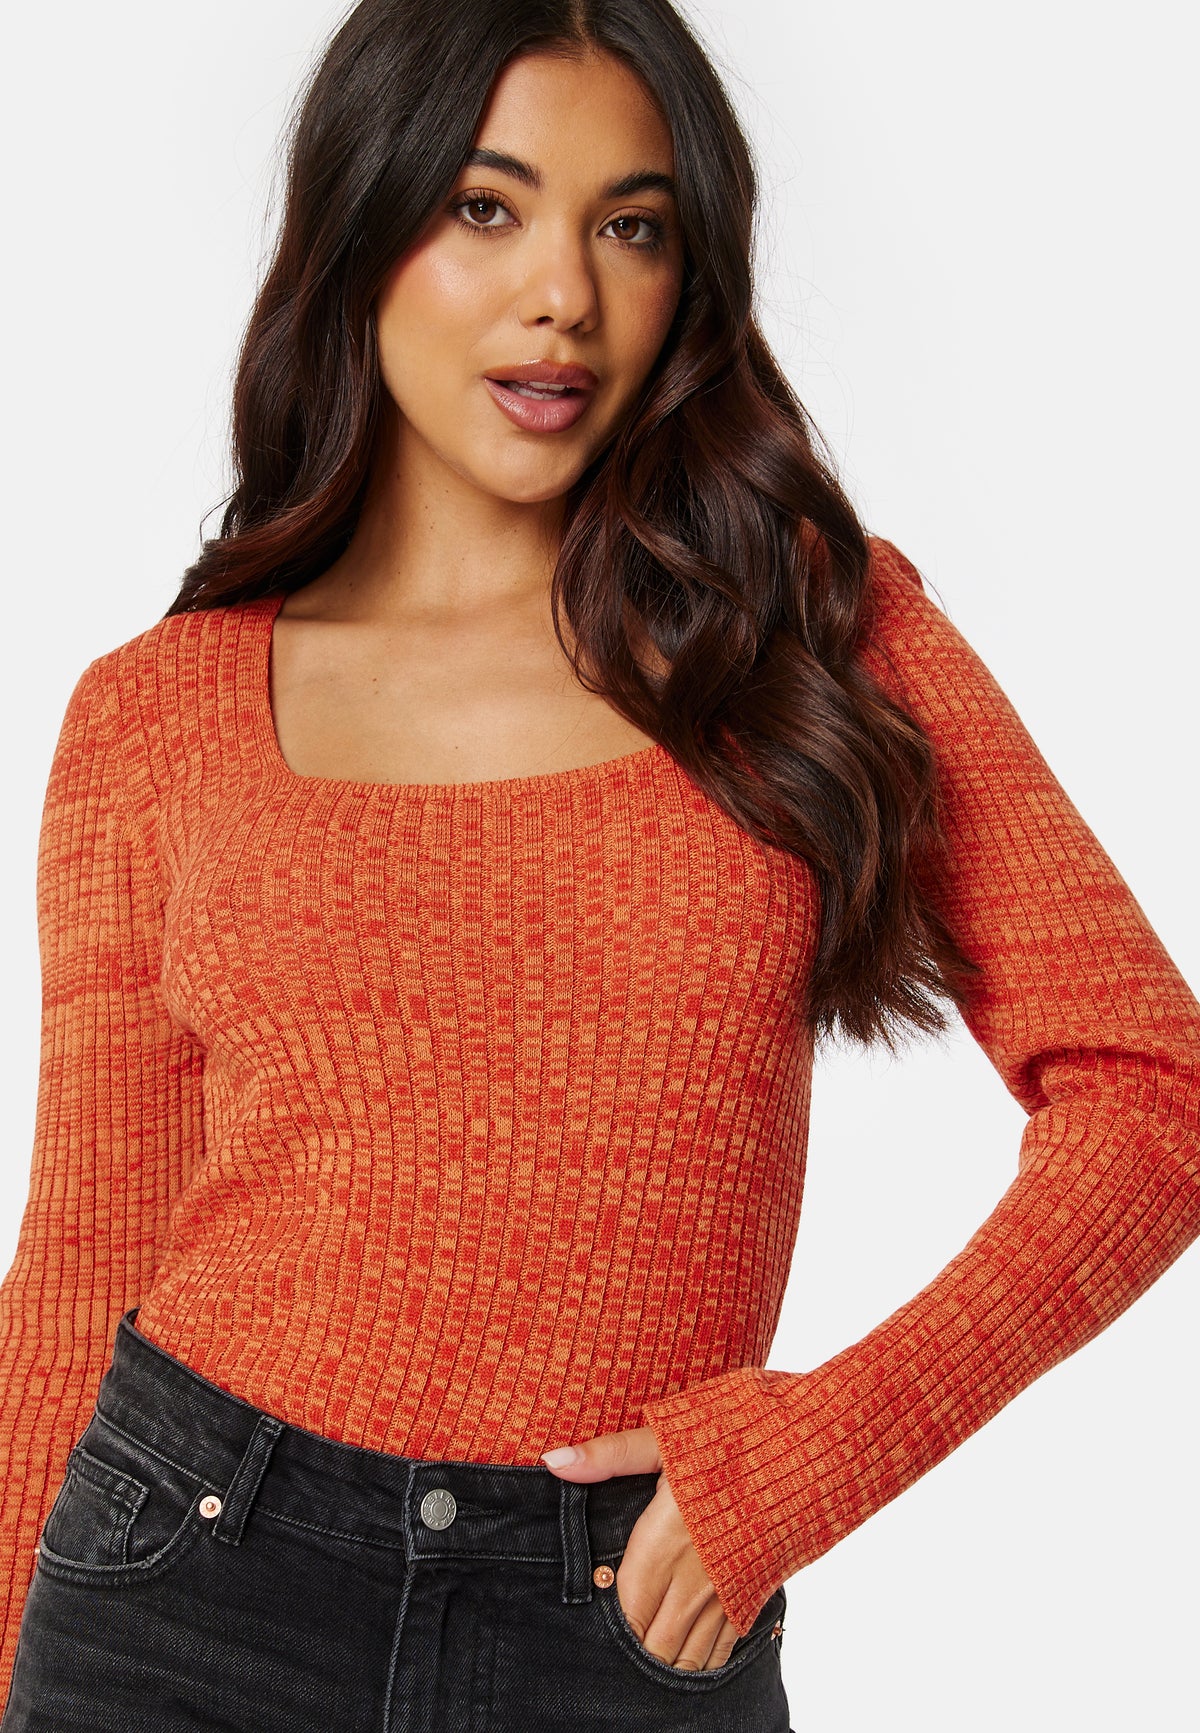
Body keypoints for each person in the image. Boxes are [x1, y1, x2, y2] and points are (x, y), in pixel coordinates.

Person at [1, 0, 1197, 1726]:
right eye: (486, 207)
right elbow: (79, 1280)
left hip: (625, 1627)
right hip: (183, 1587)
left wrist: (811, 1454)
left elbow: (1156, 1092)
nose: (562, 291)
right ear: (363, 224)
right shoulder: (155, 713)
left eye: (631, 225)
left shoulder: (806, 627)